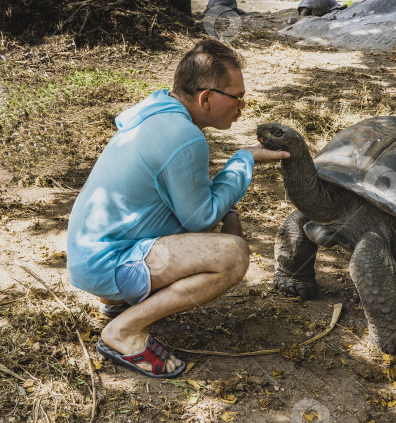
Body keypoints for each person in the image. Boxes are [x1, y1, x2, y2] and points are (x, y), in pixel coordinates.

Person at [66, 39, 289, 378]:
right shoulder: (185, 137)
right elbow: (201, 218)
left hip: (88, 254)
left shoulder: (158, 108)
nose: (243, 106)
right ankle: (124, 332)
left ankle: (115, 303)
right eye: (237, 97)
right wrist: (244, 160)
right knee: (232, 255)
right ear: (205, 98)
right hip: (107, 264)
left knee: (217, 223)